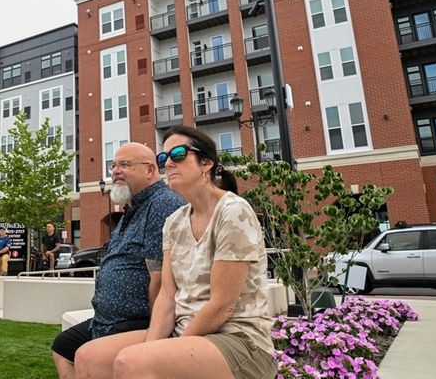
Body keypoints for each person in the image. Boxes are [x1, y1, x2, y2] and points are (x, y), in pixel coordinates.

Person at [73, 126, 276, 379]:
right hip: (182, 332)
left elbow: (223, 306)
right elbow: (167, 295)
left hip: (237, 339)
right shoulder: (175, 221)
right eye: (163, 158)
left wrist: (161, 349)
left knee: (131, 361)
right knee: (88, 357)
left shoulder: (233, 211)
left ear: (206, 163)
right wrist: (154, 344)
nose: (167, 163)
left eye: (178, 154)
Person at [51, 142, 185, 378]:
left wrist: (156, 336)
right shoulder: (131, 209)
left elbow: (160, 279)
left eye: (125, 165)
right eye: (113, 165)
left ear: (150, 171)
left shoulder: (162, 204)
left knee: (87, 356)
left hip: (139, 320)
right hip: (107, 320)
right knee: (63, 347)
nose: (114, 171)